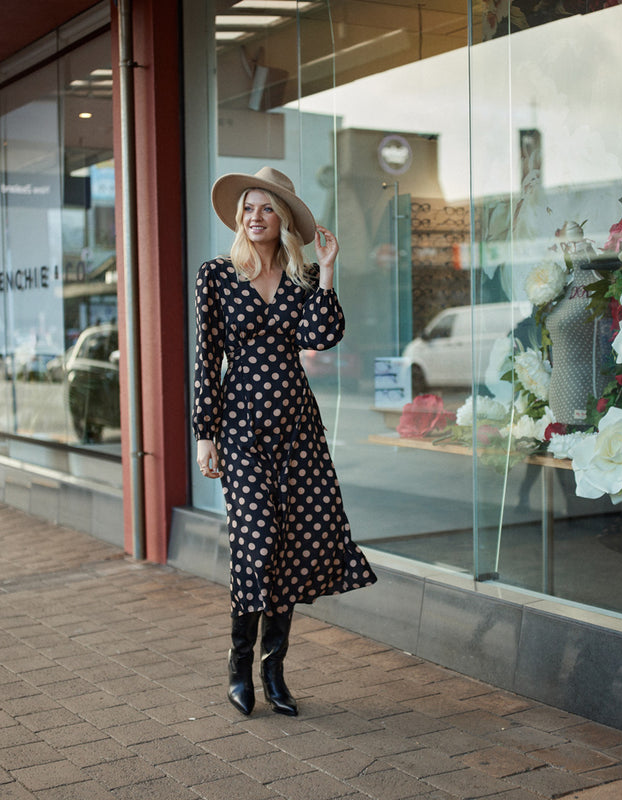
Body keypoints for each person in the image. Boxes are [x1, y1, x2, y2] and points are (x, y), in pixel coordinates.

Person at [193, 166, 377, 717]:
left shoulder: (299, 280)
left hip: (297, 430)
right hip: (241, 429)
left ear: (283, 220)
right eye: (248, 207)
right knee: (258, 541)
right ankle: (238, 663)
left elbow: (321, 337)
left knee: (293, 545)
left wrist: (326, 272)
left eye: (266, 208)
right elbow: (206, 360)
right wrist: (206, 436)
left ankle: (274, 672)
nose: (255, 217)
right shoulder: (217, 275)